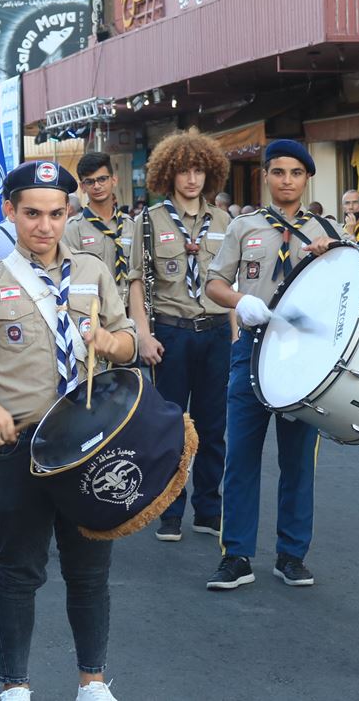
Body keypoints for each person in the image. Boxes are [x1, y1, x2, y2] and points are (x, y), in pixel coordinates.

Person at [0, 160, 137, 701]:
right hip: (18, 445)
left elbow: (131, 342)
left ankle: (92, 681)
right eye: (32, 214)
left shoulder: (92, 271)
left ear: (71, 213)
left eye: (56, 214)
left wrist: (110, 343)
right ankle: (15, 686)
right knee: (18, 571)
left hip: (91, 443)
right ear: (10, 213)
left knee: (89, 571)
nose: (44, 226)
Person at [203, 140, 339, 590]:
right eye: (278, 172)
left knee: (298, 459)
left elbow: (348, 290)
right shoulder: (244, 227)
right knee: (241, 454)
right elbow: (214, 284)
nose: (286, 181)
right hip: (254, 348)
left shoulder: (328, 230)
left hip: (306, 354)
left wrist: (332, 254)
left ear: (306, 179)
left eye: (295, 173)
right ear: (265, 176)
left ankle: (292, 554)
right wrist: (241, 301)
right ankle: (236, 555)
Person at [127, 129, 232, 542]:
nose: (192, 179)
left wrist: (236, 335)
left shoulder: (224, 221)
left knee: (213, 424)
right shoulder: (148, 222)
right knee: (172, 424)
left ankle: (209, 508)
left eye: (199, 171)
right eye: (185, 171)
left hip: (217, 333)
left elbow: (230, 280)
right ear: (168, 174)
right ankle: (170, 510)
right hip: (171, 332)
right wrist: (143, 334)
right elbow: (136, 281)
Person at [65, 151, 132, 306]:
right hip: (92, 310)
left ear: (114, 180)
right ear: (82, 187)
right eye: (90, 182)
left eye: (102, 179)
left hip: (128, 308)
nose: (97, 186)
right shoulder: (73, 229)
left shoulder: (130, 226)